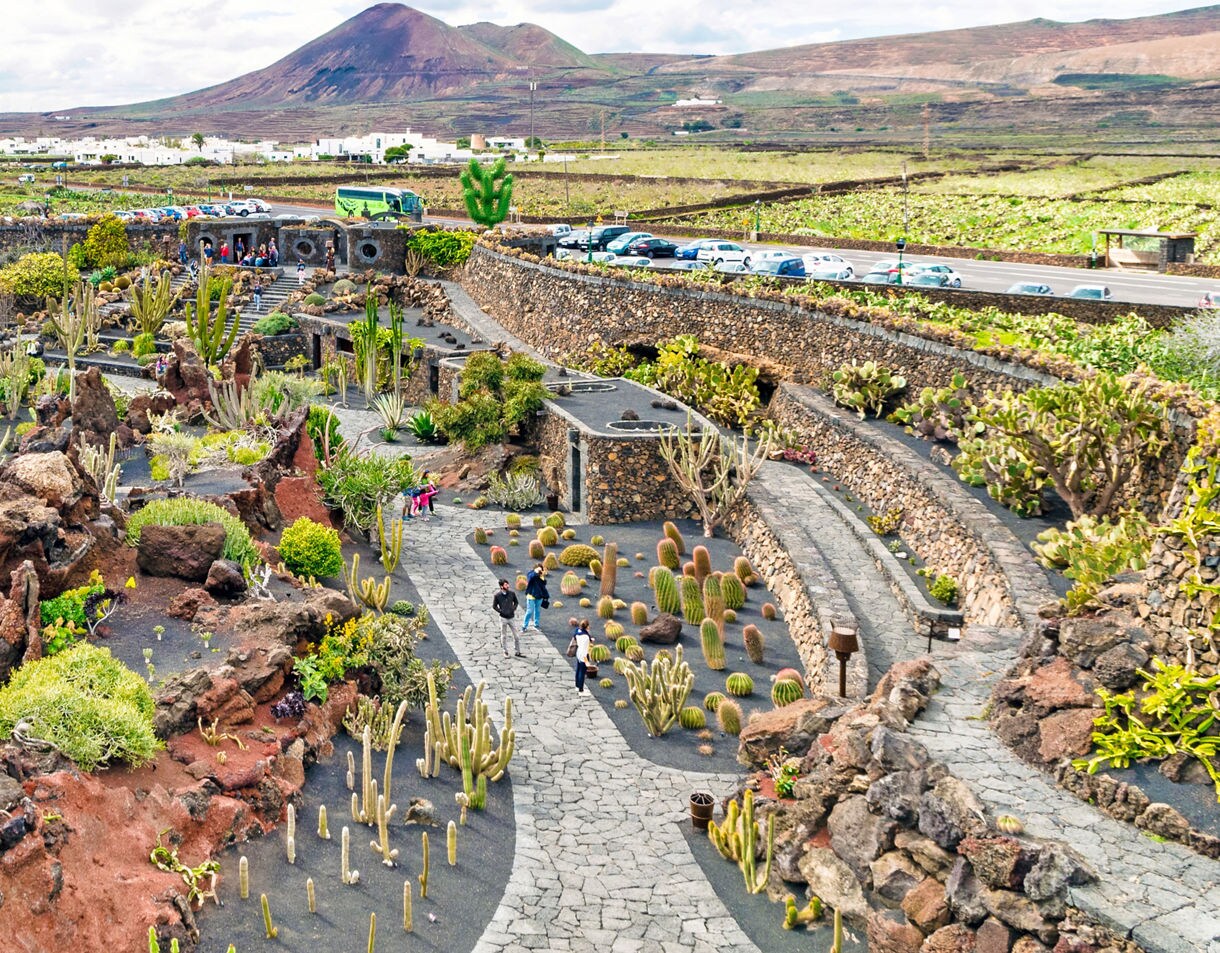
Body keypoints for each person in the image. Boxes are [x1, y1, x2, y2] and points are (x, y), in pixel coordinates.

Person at [493, 579, 522, 658]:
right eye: (506, 585)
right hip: (503, 619)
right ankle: (505, 651)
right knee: (504, 636)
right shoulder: (497, 596)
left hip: (511, 618)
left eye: (508, 584)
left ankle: (517, 651)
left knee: (516, 636)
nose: (508, 586)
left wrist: (513, 608)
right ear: (501, 586)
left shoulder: (512, 593)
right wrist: (501, 611)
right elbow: (494, 606)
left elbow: (516, 602)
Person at [522, 563, 549, 633]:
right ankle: (524, 626)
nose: (540, 571)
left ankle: (536, 625)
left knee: (537, 611)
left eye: (541, 569)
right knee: (529, 611)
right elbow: (530, 578)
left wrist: (546, 596)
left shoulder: (541, 577)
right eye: (539, 569)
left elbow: (543, 587)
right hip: (531, 596)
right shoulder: (530, 574)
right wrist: (535, 572)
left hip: (539, 596)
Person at [573, 618, 591, 693]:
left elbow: (575, 636)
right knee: (582, 672)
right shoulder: (586, 637)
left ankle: (577, 686)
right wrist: (587, 661)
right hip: (584, 655)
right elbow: (586, 645)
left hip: (578, 653)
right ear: (587, 627)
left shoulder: (577, 632)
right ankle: (581, 689)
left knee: (578, 670)